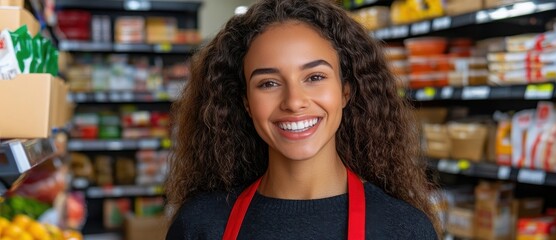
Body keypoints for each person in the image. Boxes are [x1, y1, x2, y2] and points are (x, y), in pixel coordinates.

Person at [165, 0, 439, 239]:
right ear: (246, 103)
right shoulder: (200, 226)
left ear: (345, 91)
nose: (294, 101)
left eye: (315, 77)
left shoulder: (404, 229)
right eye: (269, 83)